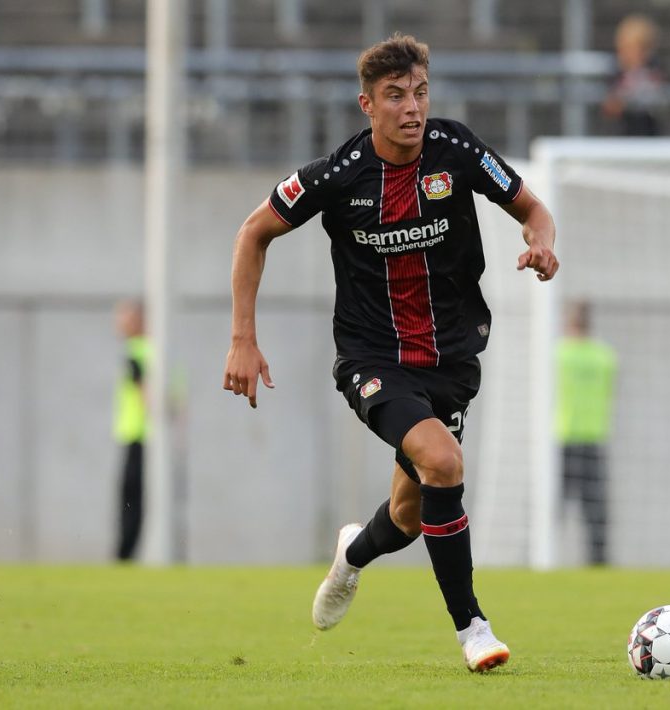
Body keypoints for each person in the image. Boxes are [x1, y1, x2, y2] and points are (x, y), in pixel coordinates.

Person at [222, 34, 558, 672]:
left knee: (408, 513)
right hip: (372, 359)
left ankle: (351, 556)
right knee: (444, 461)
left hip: (451, 360)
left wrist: (540, 242)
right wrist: (243, 338)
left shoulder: (456, 150)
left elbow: (532, 208)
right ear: (367, 105)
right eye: (396, 96)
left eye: (421, 93)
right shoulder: (337, 176)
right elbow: (252, 233)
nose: (413, 108)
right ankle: (473, 629)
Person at [556, 301, 617, 565]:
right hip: (593, 438)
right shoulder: (605, 357)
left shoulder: (557, 355)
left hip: (561, 438)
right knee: (595, 509)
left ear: (567, 321)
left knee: (551, 507)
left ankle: (537, 557)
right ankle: (598, 563)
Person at [112, 299, 149, 562]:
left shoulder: (136, 353)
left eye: (124, 317)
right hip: (146, 436)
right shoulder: (160, 351)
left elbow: (145, 392)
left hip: (139, 435)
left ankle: (125, 555)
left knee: (130, 498)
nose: (118, 323)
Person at [602, 14, 665, 136]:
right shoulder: (615, 71)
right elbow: (609, 107)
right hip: (622, 134)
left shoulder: (655, 68)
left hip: (649, 133)